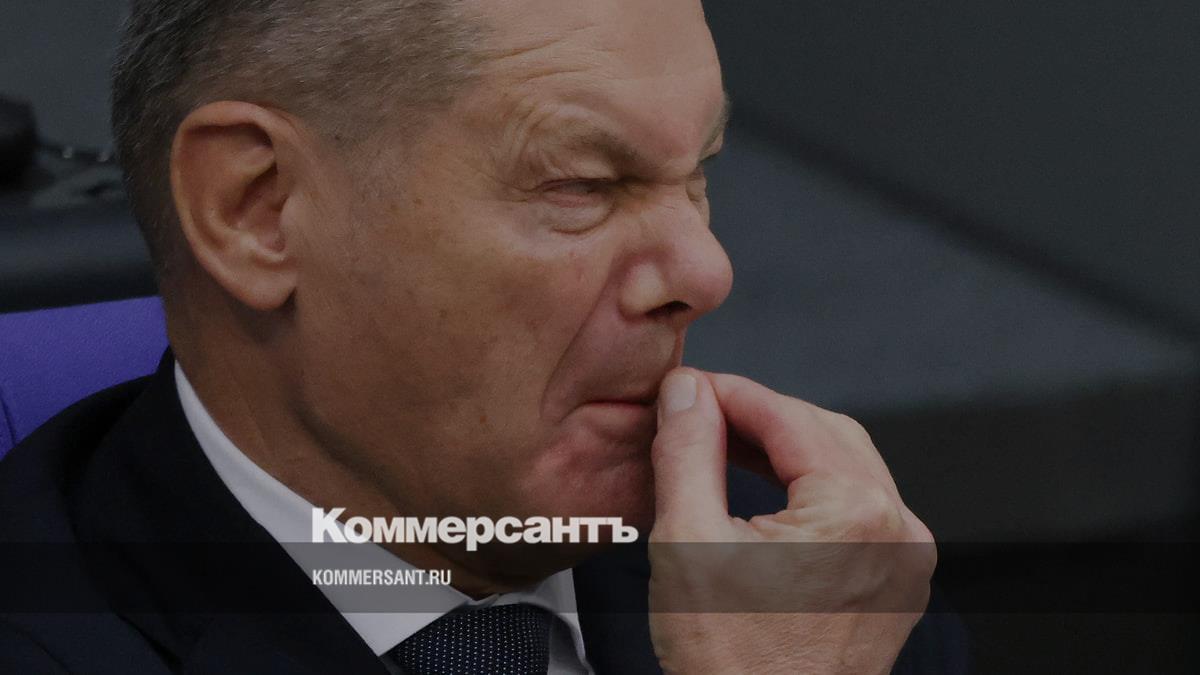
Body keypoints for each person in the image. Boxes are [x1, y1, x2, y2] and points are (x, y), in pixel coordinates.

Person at [0, 0, 964, 672]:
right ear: (258, 209)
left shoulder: (817, 590)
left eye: (698, 173)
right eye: (584, 185)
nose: (706, 271)